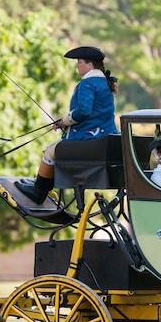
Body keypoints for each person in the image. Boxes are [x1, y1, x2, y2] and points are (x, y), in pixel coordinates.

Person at [16, 46, 119, 204]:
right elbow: (94, 115)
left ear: (90, 64)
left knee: (51, 151)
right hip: (105, 140)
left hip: (89, 141)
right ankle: (43, 187)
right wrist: (65, 123)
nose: (77, 65)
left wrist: (65, 121)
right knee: (54, 149)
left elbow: (84, 111)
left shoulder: (87, 83)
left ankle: (38, 191)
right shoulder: (104, 83)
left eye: (79, 62)